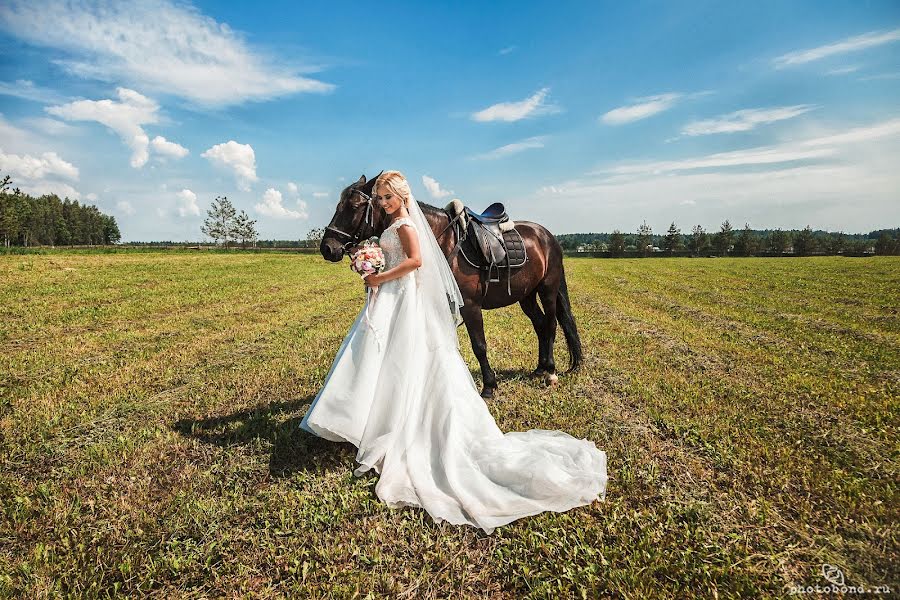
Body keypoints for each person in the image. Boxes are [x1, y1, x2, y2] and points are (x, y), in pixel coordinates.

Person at [300, 170, 607, 535]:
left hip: (397, 291)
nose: (383, 204)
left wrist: (378, 276)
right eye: (379, 199)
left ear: (401, 197)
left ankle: (548, 360)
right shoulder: (396, 225)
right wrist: (369, 261)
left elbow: (414, 261)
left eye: (387, 198)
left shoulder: (407, 227)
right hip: (396, 298)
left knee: (547, 312)